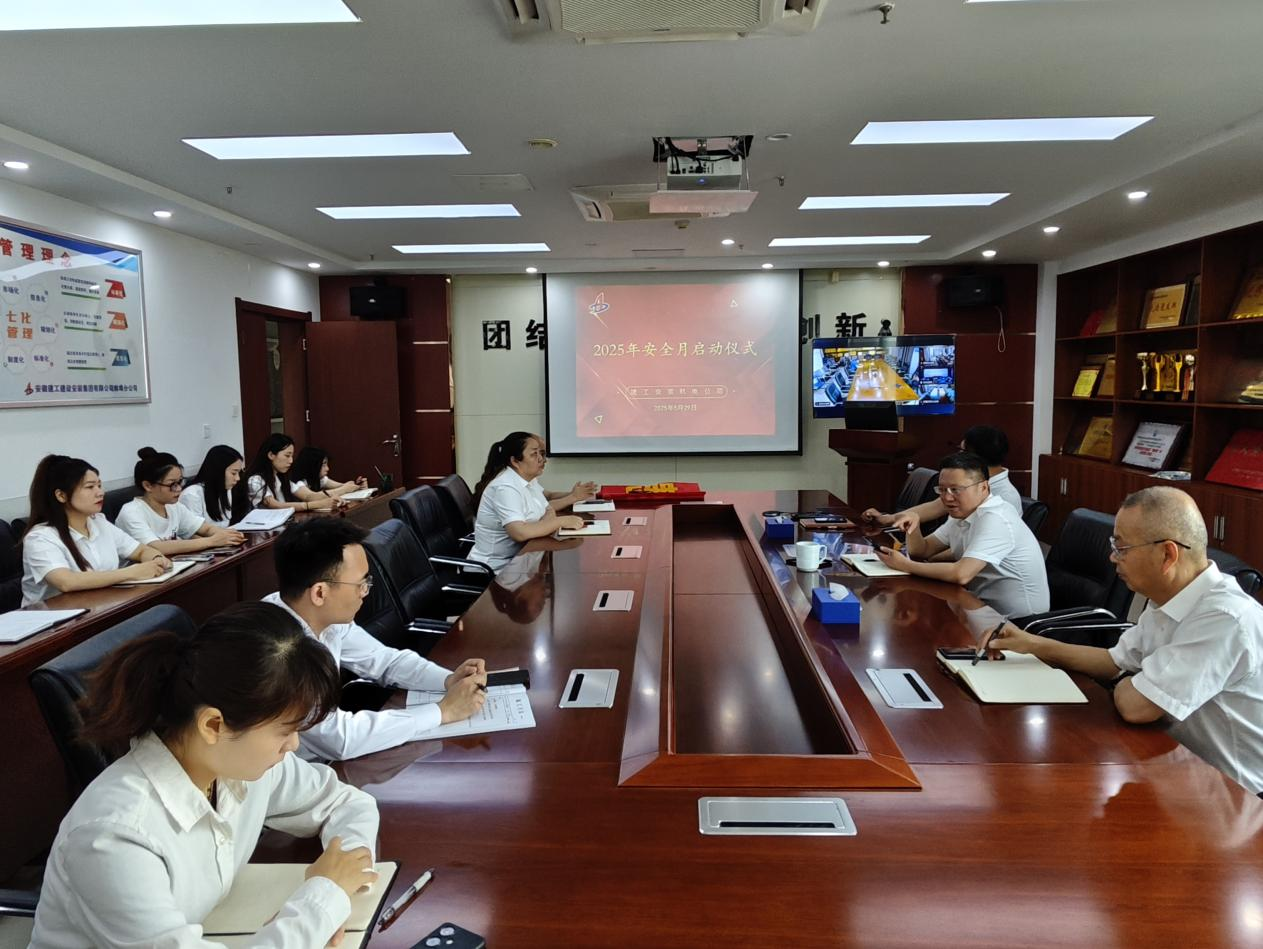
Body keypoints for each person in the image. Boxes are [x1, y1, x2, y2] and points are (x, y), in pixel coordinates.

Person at [28, 601, 380, 948]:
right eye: (284, 731)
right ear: (213, 725)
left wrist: (345, 872)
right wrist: (322, 901)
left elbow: (346, 802)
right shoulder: (114, 836)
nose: (293, 744)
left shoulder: (234, 761)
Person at [991, 486, 1263, 796]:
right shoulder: (1168, 597)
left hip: (1232, 795)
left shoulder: (1224, 618)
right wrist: (1032, 644)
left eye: (1122, 548)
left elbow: (1137, 707)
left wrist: (1126, 680)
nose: (1112, 557)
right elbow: (1115, 660)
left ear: (1167, 554)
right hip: (1174, 764)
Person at [264, 516, 487, 761]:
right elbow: (339, 740)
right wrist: (442, 712)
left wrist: (447, 680)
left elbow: (385, 661)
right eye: (361, 584)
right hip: (294, 768)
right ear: (320, 592)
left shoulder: (321, 615)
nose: (366, 592)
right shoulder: (281, 650)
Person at [874, 451, 1049, 618]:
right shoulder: (962, 514)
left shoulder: (996, 518)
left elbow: (961, 574)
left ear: (983, 487)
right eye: (942, 490)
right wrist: (913, 523)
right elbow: (922, 550)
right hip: (977, 605)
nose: (947, 498)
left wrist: (906, 565)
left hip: (1015, 621)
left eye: (956, 489)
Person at [20, 454, 173, 607]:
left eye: (99, 486)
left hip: (105, 605)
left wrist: (156, 559)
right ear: (61, 495)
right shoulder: (40, 537)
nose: (100, 493)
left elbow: (140, 550)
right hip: (58, 617)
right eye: (90, 487)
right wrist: (132, 573)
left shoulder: (99, 522)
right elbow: (66, 582)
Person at [468, 432, 597, 571]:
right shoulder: (505, 488)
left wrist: (548, 521)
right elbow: (519, 533)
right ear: (515, 461)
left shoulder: (527, 480)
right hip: (493, 569)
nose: (542, 459)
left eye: (541, 453)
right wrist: (560, 522)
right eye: (534, 454)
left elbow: (547, 510)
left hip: (520, 559)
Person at [862, 424, 1022, 526]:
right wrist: (888, 519)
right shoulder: (970, 482)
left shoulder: (1005, 498)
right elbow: (934, 507)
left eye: (961, 451)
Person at [114, 448, 246, 555]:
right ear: (148, 486)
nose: (179, 489)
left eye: (180, 482)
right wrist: (212, 541)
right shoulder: (131, 512)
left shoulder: (174, 506)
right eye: (172, 484)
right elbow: (157, 547)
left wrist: (229, 535)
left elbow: (205, 528)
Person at [244, 434, 340, 512]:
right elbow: (275, 505)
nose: (291, 461)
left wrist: (332, 499)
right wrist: (317, 504)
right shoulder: (255, 480)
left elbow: (307, 496)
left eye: (292, 456)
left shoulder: (280, 477)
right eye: (287, 456)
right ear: (271, 455)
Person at [180, 444, 251, 528]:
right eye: (233, 473)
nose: (238, 478)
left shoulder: (226, 489)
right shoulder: (192, 495)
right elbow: (195, 531)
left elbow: (226, 523)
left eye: (239, 473)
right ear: (218, 471)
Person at [290, 446, 369, 500]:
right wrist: (345, 489)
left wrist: (357, 485)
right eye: (324, 465)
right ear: (312, 465)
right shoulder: (298, 482)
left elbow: (341, 486)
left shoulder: (320, 479)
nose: (328, 469)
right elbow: (312, 497)